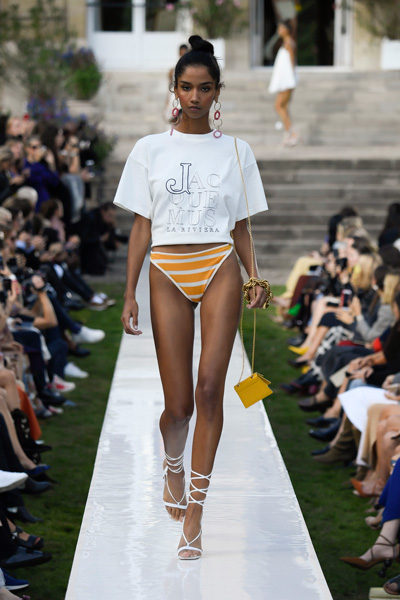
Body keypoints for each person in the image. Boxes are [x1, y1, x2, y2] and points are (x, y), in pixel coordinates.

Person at [114, 35, 269, 560]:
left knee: (209, 391)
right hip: (166, 269)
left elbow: (242, 226)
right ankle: (173, 465)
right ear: (174, 89)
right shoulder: (149, 149)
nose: (195, 97)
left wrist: (255, 276)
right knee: (178, 406)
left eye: (205, 88)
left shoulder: (237, 152)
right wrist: (129, 292)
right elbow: (141, 226)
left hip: (219, 264)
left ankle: (196, 514)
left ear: (218, 91)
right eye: (186, 87)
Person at [268, 19, 298, 146]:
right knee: (283, 107)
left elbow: (291, 63)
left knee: (279, 106)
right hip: (284, 82)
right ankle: (289, 133)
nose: (279, 30)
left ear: (287, 30)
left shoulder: (289, 43)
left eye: (281, 28)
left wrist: (291, 81)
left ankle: (292, 133)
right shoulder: (285, 43)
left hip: (287, 82)